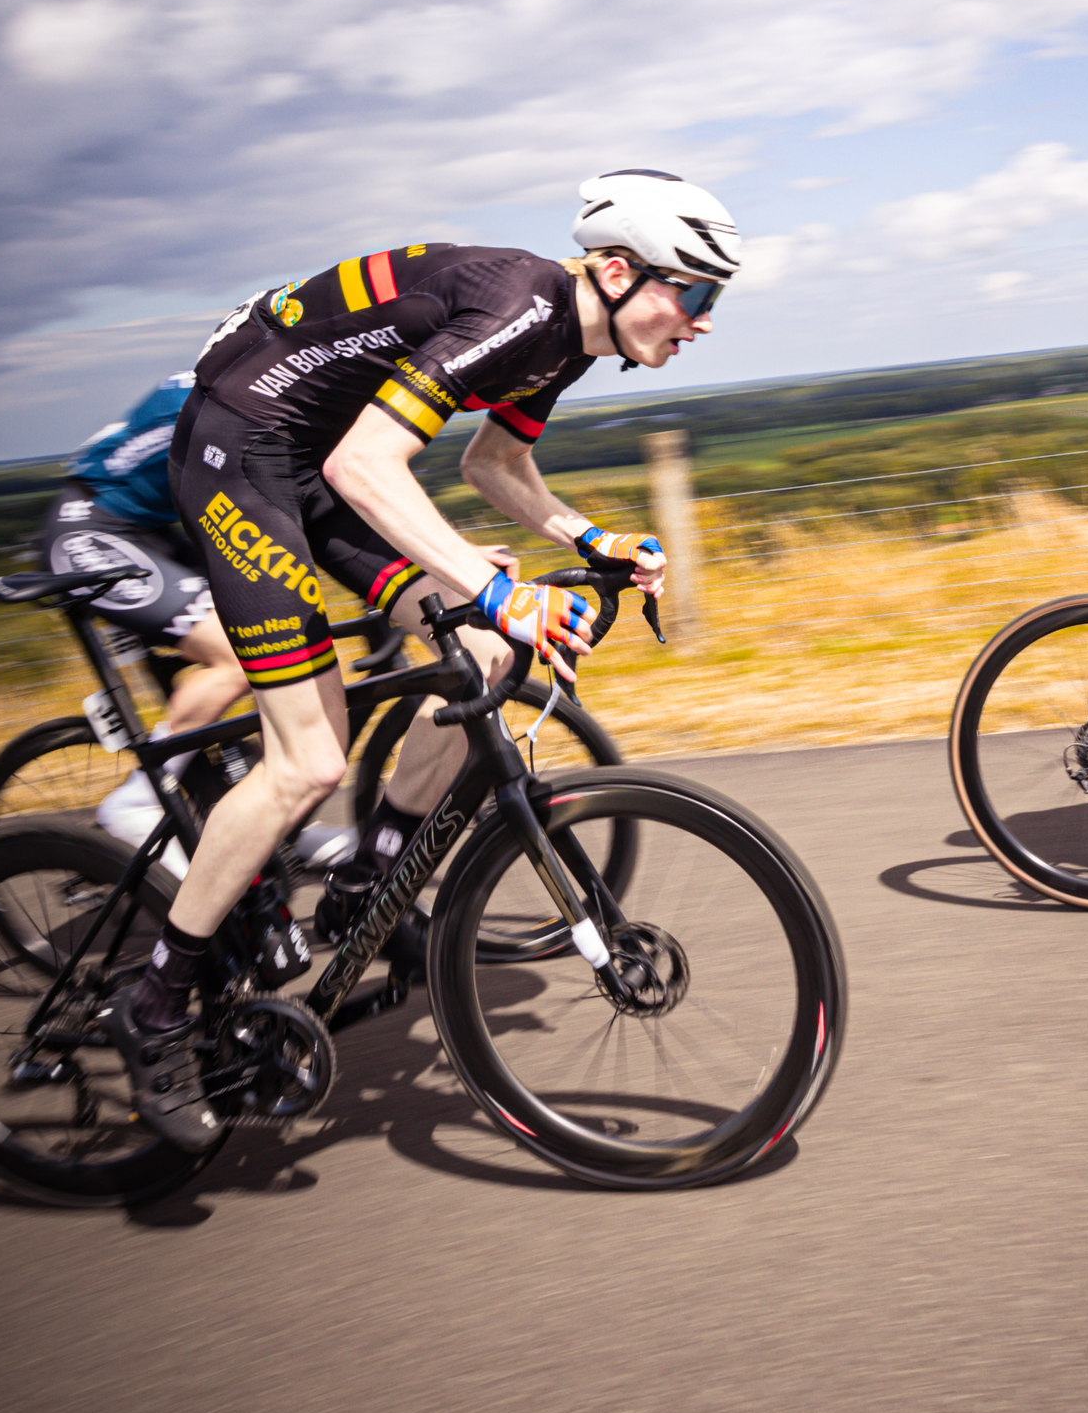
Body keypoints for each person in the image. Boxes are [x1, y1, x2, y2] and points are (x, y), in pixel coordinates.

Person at [107, 171, 741, 1146]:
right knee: (308, 760)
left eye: (713, 300)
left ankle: (370, 878)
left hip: (315, 460)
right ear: (616, 271)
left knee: (488, 659)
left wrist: (586, 542)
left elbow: (491, 464)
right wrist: (493, 587)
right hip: (242, 446)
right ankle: (154, 1007)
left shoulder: (570, 336)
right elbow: (365, 465)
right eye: (692, 293)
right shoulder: (522, 308)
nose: (700, 320)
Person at [41, 373, 255, 843]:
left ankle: (273, 824)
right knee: (245, 657)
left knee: (282, 648)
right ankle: (139, 798)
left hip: (150, 529)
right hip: (91, 530)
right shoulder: (225, 405)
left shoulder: (248, 379)